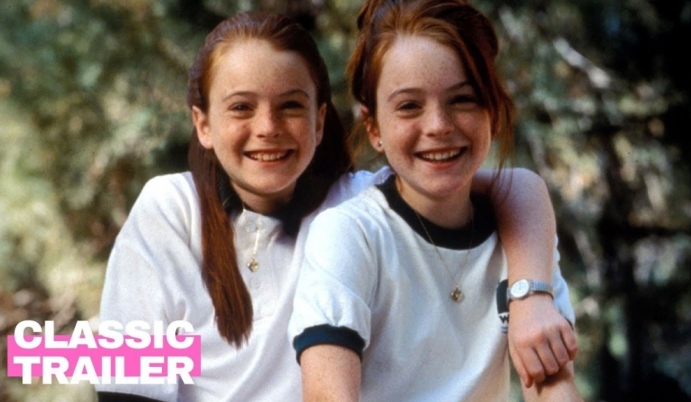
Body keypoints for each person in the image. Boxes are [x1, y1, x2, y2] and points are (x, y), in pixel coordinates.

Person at [95, 10, 574, 402]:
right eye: (241, 107)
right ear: (203, 124)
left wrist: (530, 295)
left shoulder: (354, 203)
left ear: (320, 120)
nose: (268, 127)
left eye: (290, 106)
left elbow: (514, 187)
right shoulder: (168, 208)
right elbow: (124, 385)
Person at [289, 0, 582, 401]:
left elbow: (554, 389)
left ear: (493, 111)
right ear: (373, 127)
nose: (439, 126)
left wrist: (531, 299)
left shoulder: (523, 235)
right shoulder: (351, 234)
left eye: (462, 99)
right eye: (409, 106)